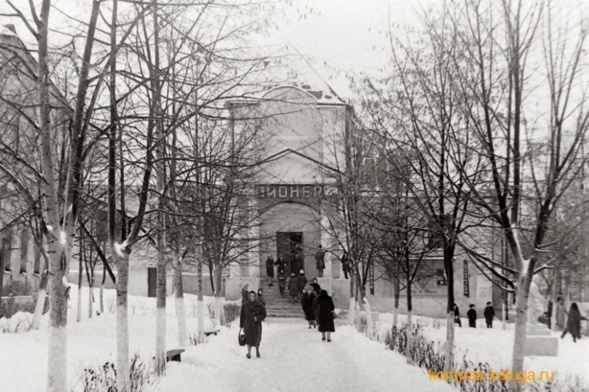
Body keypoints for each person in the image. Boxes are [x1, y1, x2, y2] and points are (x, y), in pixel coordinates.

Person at [239, 291, 267, 358]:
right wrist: (241, 324)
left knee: (257, 338)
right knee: (248, 339)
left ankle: (257, 350)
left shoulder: (259, 305)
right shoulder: (245, 305)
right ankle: (249, 353)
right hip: (248, 324)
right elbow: (242, 315)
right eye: (250, 296)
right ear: (249, 297)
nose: (252, 297)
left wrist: (257, 318)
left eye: (253, 296)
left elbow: (264, 314)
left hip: (256, 325)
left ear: (255, 297)